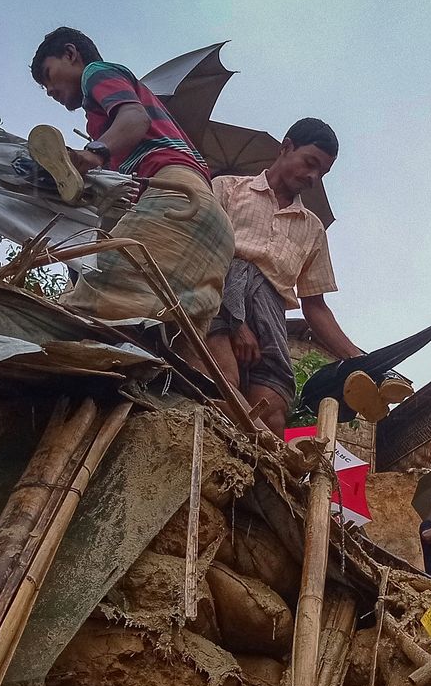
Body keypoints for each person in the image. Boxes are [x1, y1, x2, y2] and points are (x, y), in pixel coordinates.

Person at [27, 27, 234, 327]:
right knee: (167, 338)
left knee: (78, 313)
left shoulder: (96, 73)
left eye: (48, 75)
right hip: (210, 224)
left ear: (71, 54)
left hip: (176, 200)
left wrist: (95, 152)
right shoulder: (103, 122)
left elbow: (136, 119)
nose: (49, 91)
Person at [210, 119, 380, 433]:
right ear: (287, 147)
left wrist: (359, 360)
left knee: (272, 416)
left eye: (323, 173)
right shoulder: (227, 189)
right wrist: (236, 321)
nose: (313, 177)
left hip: (269, 323)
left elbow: (315, 306)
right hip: (214, 306)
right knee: (223, 387)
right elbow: (205, 258)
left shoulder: (312, 228)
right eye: (310, 163)